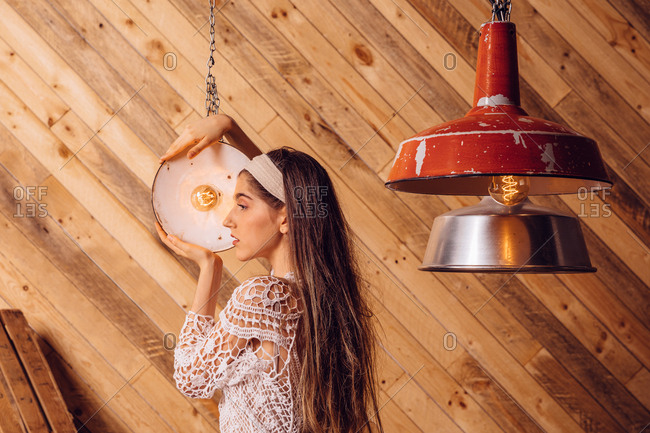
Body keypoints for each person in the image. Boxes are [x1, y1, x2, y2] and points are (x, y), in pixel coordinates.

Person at [155, 114, 385, 433]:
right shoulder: (324, 296)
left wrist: (209, 269)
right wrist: (231, 129)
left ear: (286, 219)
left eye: (243, 206)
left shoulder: (264, 297)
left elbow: (191, 380)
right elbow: (279, 190)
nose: (227, 220)